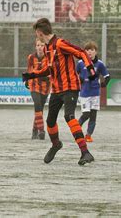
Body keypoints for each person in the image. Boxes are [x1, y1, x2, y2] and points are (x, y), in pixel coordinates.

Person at [22, 18, 96, 166]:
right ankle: (56, 144)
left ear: (40, 33)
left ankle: (85, 152)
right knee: (50, 121)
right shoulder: (47, 48)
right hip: (56, 89)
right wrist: (32, 75)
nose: (37, 36)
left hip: (70, 88)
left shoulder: (60, 43)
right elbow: (49, 68)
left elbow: (81, 52)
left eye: (36, 33)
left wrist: (90, 68)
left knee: (69, 116)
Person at [77, 41, 110, 143]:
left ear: (95, 51)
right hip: (84, 93)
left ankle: (88, 135)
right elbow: (74, 74)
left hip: (95, 93)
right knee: (86, 114)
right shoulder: (80, 63)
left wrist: (104, 84)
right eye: (87, 50)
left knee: (93, 116)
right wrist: (79, 80)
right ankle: (76, 130)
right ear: (84, 52)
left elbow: (107, 76)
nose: (89, 52)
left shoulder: (99, 64)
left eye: (92, 50)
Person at [25, 39, 51, 140]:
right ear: (35, 47)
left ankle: (34, 131)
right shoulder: (31, 57)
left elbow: (51, 72)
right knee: (37, 105)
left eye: (42, 45)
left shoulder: (49, 58)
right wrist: (27, 79)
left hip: (45, 87)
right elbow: (29, 69)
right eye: (38, 45)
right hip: (34, 85)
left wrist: (47, 77)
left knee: (40, 109)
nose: (40, 47)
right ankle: (41, 130)